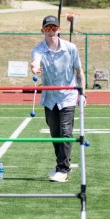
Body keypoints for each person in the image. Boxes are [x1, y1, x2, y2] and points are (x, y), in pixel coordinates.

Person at [30, 15, 86, 183]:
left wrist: (82, 93)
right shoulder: (38, 49)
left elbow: (79, 71)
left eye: (54, 28)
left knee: (65, 132)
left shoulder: (71, 48)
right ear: (43, 31)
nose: (51, 31)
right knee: (55, 133)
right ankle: (60, 165)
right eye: (48, 28)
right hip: (49, 97)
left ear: (59, 30)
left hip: (68, 96)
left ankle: (64, 169)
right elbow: (35, 60)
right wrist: (34, 67)